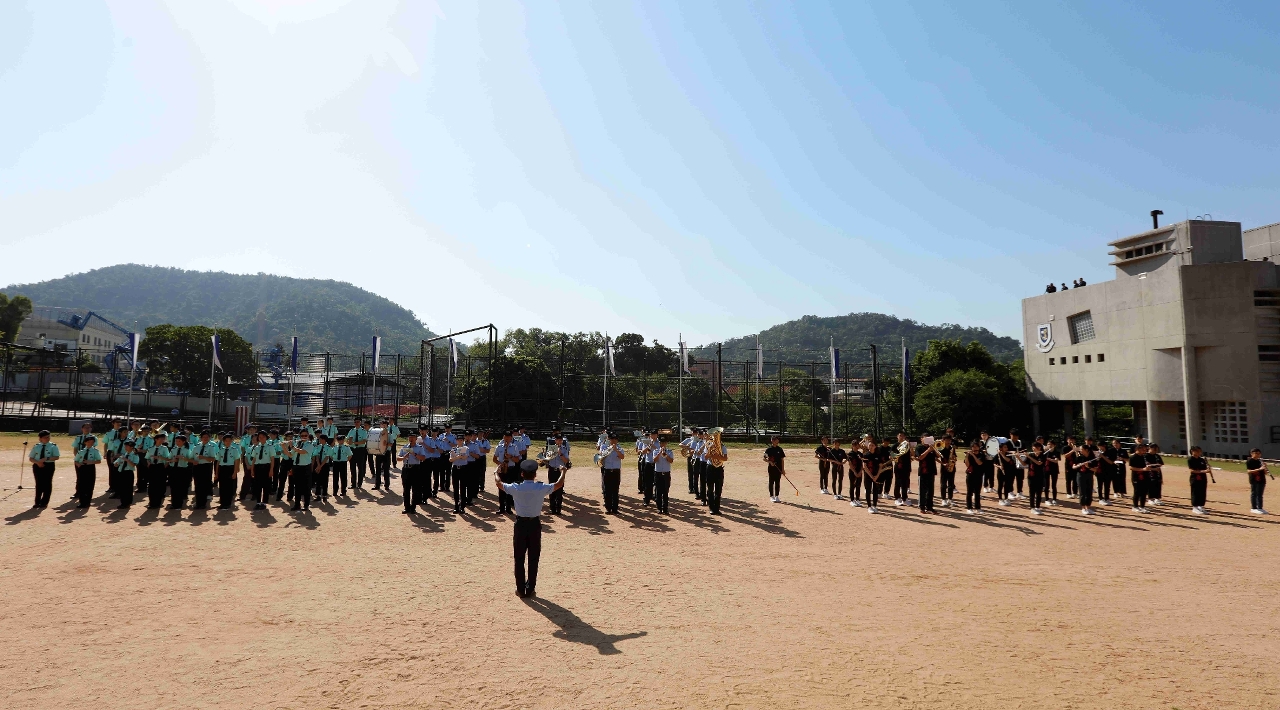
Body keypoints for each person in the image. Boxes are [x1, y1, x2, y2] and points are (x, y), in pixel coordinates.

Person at [497, 459, 567, 598]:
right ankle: (530, 589)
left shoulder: (516, 487)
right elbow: (559, 484)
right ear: (535, 474)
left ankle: (520, 589)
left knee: (519, 557)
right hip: (535, 524)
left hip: (520, 524)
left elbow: (499, 483)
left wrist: (496, 473)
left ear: (522, 474)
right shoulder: (540, 487)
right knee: (533, 558)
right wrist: (563, 472)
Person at [494, 431, 524, 514]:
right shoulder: (499, 447)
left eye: (508, 437)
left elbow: (517, 460)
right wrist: (500, 464)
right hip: (502, 469)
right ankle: (501, 508)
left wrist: (510, 457)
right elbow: (494, 459)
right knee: (501, 488)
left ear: (511, 438)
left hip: (511, 469)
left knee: (510, 488)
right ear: (503, 437)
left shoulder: (514, 447)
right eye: (505, 437)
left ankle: (508, 508)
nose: (506, 438)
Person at [72, 435, 101, 508]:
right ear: (85, 442)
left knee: (89, 485)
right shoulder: (81, 451)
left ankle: (87, 502)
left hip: (90, 468)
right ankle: (82, 502)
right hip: (82, 468)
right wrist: (78, 464)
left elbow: (99, 461)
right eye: (88, 442)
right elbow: (76, 460)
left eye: (92, 442)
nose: (90, 443)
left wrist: (90, 462)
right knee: (81, 485)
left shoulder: (95, 451)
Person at [248, 431, 275, 511]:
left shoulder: (270, 447)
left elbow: (272, 459)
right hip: (258, 467)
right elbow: (254, 459)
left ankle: (264, 502)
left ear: (266, 438)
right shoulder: (256, 447)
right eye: (260, 437)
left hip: (266, 467)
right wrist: (252, 470)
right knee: (257, 485)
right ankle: (258, 502)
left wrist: (271, 470)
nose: (261, 438)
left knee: (266, 485)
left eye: (263, 437)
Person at [191, 430, 217, 510]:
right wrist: (193, 461)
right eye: (204, 437)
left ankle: (203, 503)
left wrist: (204, 457)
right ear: (201, 438)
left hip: (206, 467)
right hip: (197, 467)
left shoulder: (211, 447)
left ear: (209, 438)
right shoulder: (196, 447)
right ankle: (198, 502)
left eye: (207, 437)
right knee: (197, 484)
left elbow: (213, 459)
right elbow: (191, 457)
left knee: (205, 484)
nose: (205, 438)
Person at [599, 433, 624, 514]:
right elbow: (601, 458)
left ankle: (615, 508)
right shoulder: (604, 447)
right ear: (609, 440)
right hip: (607, 470)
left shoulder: (619, 448)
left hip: (616, 471)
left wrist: (616, 450)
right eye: (612, 439)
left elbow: (622, 457)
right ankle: (608, 508)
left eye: (615, 439)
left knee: (615, 490)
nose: (613, 441)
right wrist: (608, 451)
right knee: (607, 490)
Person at [145, 432, 172, 509]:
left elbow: (168, 459)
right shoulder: (150, 448)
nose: (163, 440)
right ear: (156, 439)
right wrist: (149, 462)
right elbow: (147, 458)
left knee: (159, 485)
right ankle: (152, 502)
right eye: (161, 438)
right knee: (152, 485)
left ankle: (157, 502)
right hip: (152, 467)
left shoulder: (164, 448)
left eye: (163, 439)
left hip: (160, 466)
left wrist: (163, 464)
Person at [545, 434, 570, 515]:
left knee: (559, 489)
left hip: (560, 471)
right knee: (551, 488)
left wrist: (560, 454)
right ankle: (552, 508)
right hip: (552, 470)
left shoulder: (564, 449)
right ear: (555, 440)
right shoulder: (551, 448)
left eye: (560, 440)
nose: (559, 441)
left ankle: (558, 508)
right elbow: (547, 459)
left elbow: (566, 461)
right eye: (558, 440)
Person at [215, 432, 240, 510]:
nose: (228, 442)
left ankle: (228, 503)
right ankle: (222, 503)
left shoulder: (234, 450)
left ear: (231, 441)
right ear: (223, 441)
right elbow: (218, 462)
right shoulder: (221, 450)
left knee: (229, 487)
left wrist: (235, 472)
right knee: (222, 486)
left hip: (230, 468)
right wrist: (216, 473)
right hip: (222, 469)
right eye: (226, 441)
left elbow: (236, 461)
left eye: (229, 440)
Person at [169, 434, 194, 510]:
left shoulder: (187, 450)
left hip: (182, 469)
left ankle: (179, 504)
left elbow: (191, 460)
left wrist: (183, 458)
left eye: (179, 441)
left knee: (180, 487)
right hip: (173, 469)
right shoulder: (173, 449)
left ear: (183, 442)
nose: (177, 442)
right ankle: (173, 503)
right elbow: (169, 459)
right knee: (173, 487)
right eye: (176, 441)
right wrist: (172, 460)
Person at [1072, 440, 1097, 515]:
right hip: (1081, 476)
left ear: (1086, 450)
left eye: (1081, 449)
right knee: (1082, 492)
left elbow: (1095, 469)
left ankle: (1088, 508)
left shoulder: (1092, 458)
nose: (1080, 450)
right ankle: (1083, 508)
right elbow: (1073, 467)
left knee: (1089, 492)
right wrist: (1078, 465)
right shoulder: (1079, 458)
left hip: (1089, 475)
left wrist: (1088, 466)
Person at [914, 437, 937, 514]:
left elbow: (939, 456)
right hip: (923, 471)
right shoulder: (919, 447)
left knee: (931, 490)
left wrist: (934, 448)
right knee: (922, 490)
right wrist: (928, 450)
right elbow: (920, 457)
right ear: (922, 439)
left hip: (931, 471)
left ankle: (929, 507)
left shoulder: (932, 447)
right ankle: (922, 507)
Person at [652, 436, 674, 514]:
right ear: (660, 443)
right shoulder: (655, 451)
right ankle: (659, 508)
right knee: (658, 491)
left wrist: (666, 455)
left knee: (665, 491)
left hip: (666, 473)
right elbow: (654, 460)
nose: (663, 444)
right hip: (658, 473)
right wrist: (659, 453)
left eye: (664, 443)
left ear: (666, 443)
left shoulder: (670, 451)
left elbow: (671, 461)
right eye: (661, 443)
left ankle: (665, 508)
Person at [1247, 448, 1272, 514]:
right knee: (1254, 493)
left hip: (1262, 479)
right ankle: (1254, 508)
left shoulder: (1260, 461)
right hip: (1254, 479)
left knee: (1260, 494)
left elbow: (1265, 473)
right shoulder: (1250, 461)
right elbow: (1249, 471)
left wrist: (1264, 467)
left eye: (1259, 453)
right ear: (1252, 454)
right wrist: (1259, 469)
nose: (1258, 455)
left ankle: (1260, 507)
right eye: (1256, 453)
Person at [115, 440, 139, 509]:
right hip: (121, 472)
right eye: (125, 446)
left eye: (127, 446)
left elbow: (133, 465)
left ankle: (127, 503)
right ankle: (123, 502)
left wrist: (127, 460)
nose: (125, 447)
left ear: (131, 447)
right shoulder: (123, 455)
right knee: (122, 488)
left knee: (128, 489)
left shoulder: (134, 455)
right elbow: (116, 464)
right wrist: (117, 463)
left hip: (128, 473)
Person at [1187, 446, 1211, 514]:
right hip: (1195, 478)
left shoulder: (1202, 460)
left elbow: (1204, 468)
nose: (1199, 452)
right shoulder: (1190, 459)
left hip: (1203, 478)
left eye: (1200, 451)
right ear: (1192, 451)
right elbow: (1192, 470)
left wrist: (1208, 468)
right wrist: (1204, 471)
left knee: (1202, 492)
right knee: (1195, 492)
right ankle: (1195, 507)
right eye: (1197, 451)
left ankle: (1200, 506)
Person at [347, 417, 369, 489]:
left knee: (360, 467)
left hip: (360, 450)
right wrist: (349, 441)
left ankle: (359, 484)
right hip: (352, 450)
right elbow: (347, 439)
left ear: (360, 423)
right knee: (352, 467)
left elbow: (364, 441)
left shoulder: (363, 431)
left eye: (358, 422)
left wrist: (354, 442)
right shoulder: (351, 430)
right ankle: (353, 484)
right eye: (355, 422)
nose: (356, 423)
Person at [1025, 442, 1046, 514]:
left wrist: (1029, 457)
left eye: (1035, 447)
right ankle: (1032, 508)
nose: (1034, 449)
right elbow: (1024, 464)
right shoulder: (1031, 455)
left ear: (1039, 448)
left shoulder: (1043, 455)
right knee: (1032, 493)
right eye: (1033, 447)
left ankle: (1037, 507)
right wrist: (1018, 457)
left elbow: (1039, 463)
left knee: (1039, 493)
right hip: (1031, 477)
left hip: (1040, 476)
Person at [763, 436, 786, 504]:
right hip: (771, 468)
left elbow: (782, 460)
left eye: (778, 440)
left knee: (777, 482)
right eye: (776, 440)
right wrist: (770, 462)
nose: (777, 442)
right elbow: (764, 458)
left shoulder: (780, 449)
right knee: (771, 482)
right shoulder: (768, 450)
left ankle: (777, 496)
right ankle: (771, 496)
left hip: (778, 468)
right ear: (772, 441)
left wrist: (783, 469)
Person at [963, 440, 983, 514]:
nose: (975, 448)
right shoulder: (969, 455)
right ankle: (969, 507)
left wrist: (973, 455)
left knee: (977, 492)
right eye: (973, 447)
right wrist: (967, 456)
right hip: (970, 475)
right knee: (969, 492)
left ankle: (978, 507)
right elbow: (967, 465)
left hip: (978, 475)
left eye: (976, 446)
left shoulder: (981, 455)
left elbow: (979, 463)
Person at [1128, 443, 1150, 512]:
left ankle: (1142, 506)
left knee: (1144, 492)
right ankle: (1135, 506)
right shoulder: (1133, 457)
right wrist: (1142, 469)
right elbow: (1131, 468)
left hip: (1145, 476)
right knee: (1137, 492)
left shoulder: (1144, 457)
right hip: (1136, 477)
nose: (1144, 450)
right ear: (1138, 449)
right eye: (1143, 449)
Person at [892, 433, 912, 506]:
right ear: (897, 436)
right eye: (900, 435)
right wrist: (897, 456)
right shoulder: (895, 445)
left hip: (906, 466)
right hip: (899, 466)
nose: (901, 437)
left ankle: (904, 498)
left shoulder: (907, 445)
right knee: (898, 483)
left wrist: (910, 447)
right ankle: (897, 498)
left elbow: (912, 455)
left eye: (903, 436)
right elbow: (891, 455)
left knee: (905, 483)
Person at [937, 435, 956, 507]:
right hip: (944, 468)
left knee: (951, 484)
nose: (948, 442)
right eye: (947, 440)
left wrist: (954, 459)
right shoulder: (940, 448)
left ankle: (950, 499)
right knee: (943, 484)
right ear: (943, 440)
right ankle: (943, 499)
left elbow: (954, 457)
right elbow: (936, 458)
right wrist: (943, 463)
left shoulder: (951, 448)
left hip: (952, 467)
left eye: (949, 440)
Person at [1043, 438, 1060, 506]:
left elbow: (1056, 461)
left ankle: (1054, 499)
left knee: (1054, 485)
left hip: (1054, 470)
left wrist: (1048, 459)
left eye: (1051, 444)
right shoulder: (1045, 452)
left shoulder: (1057, 452)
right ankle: (1047, 499)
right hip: (1046, 470)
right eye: (1048, 444)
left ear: (1054, 445)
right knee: (1046, 485)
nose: (1049, 445)